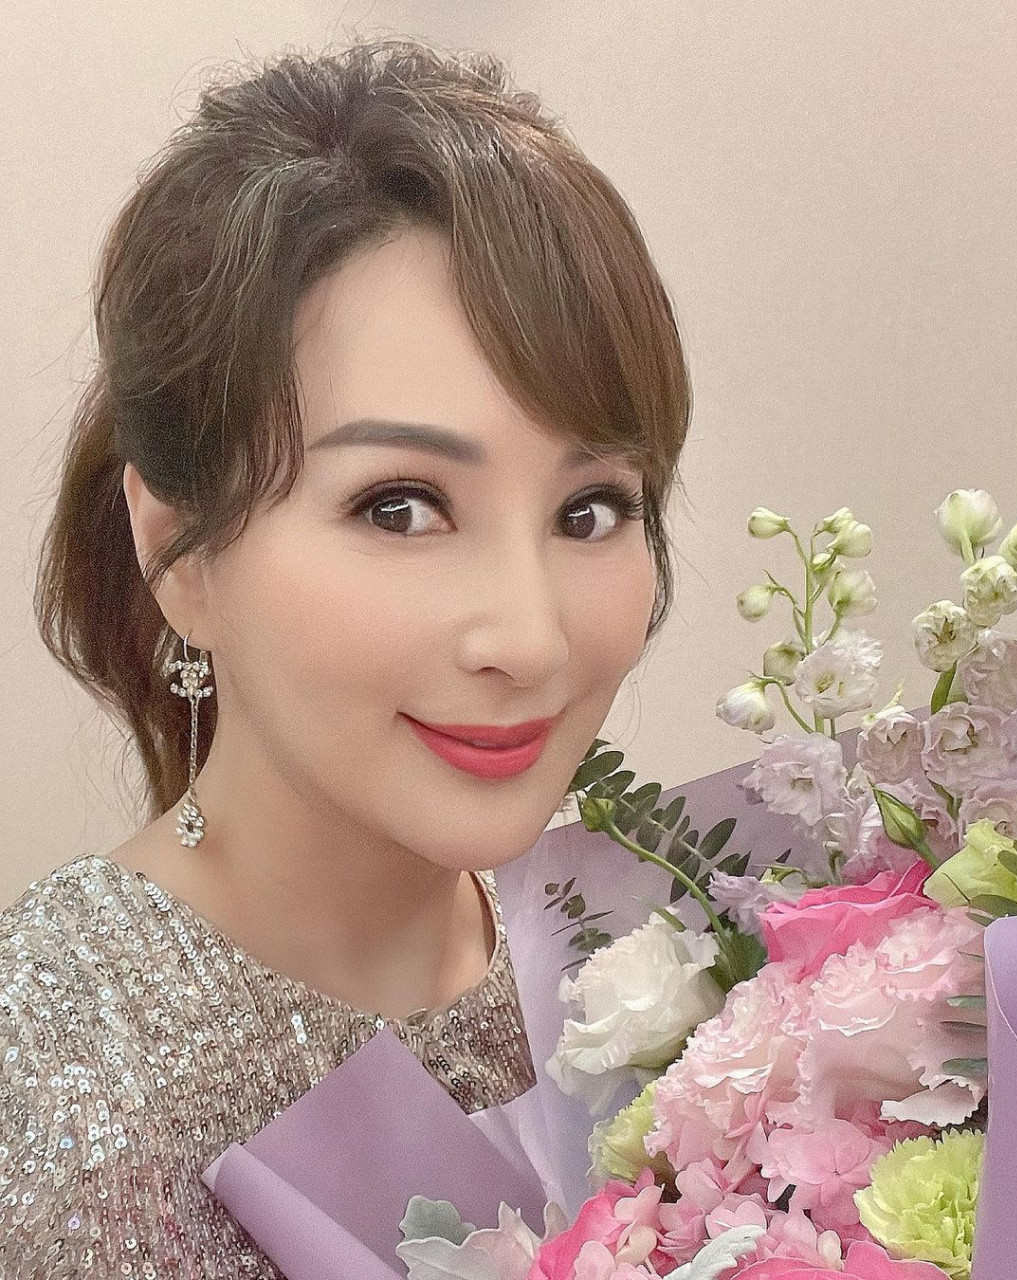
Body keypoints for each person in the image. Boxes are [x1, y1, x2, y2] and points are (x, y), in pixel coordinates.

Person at [0, 35, 690, 1276]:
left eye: (589, 508)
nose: (529, 638)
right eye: (399, 507)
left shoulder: (683, 965)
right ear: (178, 551)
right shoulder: (47, 1090)